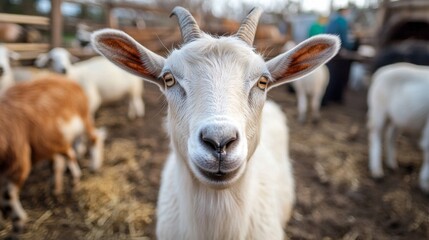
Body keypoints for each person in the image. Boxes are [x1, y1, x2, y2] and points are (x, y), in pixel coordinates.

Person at [322, 8, 356, 105]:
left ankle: (326, 98)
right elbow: (345, 39)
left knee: (329, 75)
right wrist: (351, 46)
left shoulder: (332, 21)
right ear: (344, 12)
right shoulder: (343, 23)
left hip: (329, 52)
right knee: (337, 77)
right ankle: (335, 98)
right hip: (339, 54)